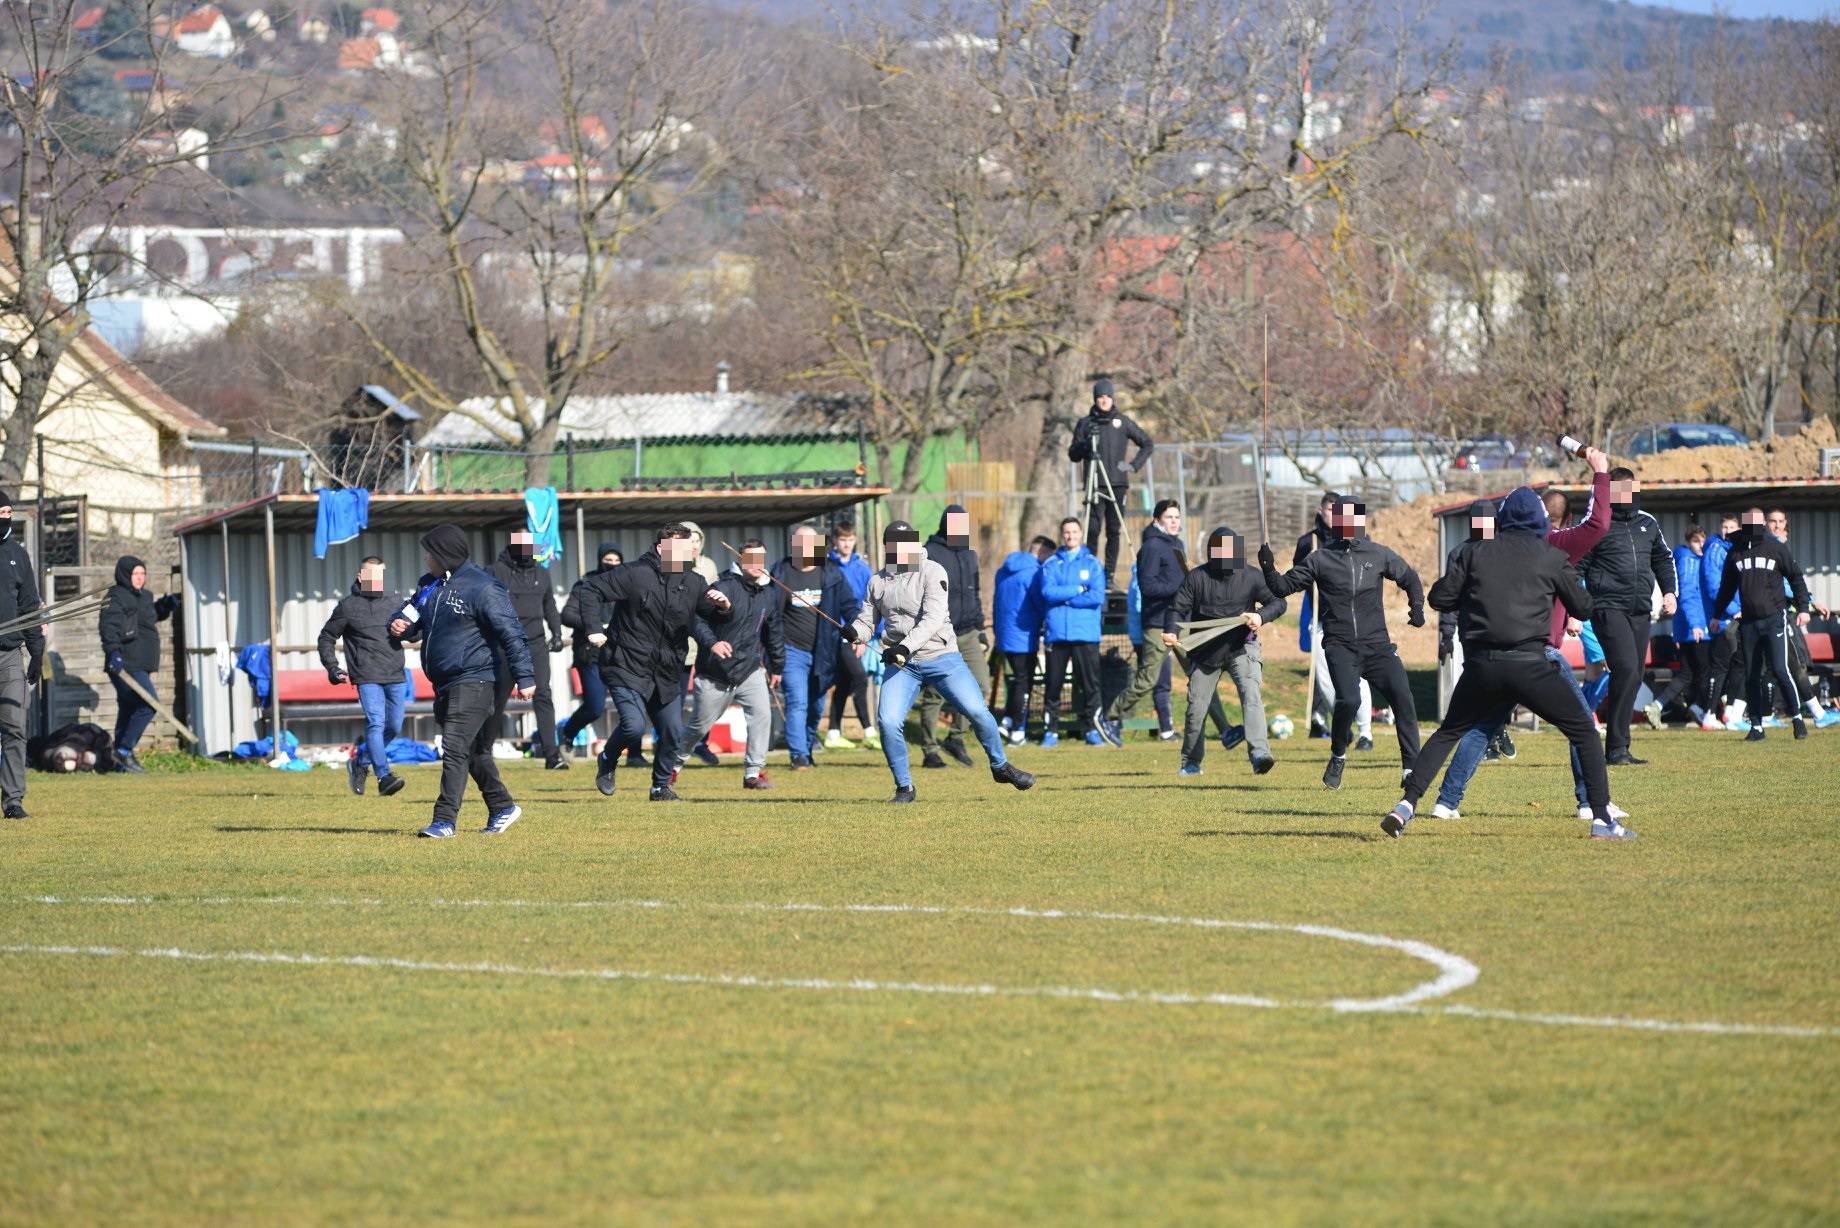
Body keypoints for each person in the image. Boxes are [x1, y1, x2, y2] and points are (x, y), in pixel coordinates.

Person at [1383, 486, 1633, 841]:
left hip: (1482, 665)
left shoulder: (1475, 554)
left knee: (1448, 732)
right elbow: (1583, 608)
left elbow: (1440, 597)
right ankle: (1603, 820)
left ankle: (1406, 805)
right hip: (1531, 664)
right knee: (1583, 731)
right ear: (1540, 520)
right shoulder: (1550, 555)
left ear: (1501, 520)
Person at [1426, 445, 1619, 822]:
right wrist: (1600, 471)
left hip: (1494, 653)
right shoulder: (1554, 544)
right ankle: (1592, 804)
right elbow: (1598, 525)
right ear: (1554, 520)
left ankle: (1445, 801)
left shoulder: (1490, 549)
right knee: (1582, 725)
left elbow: (1446, 594)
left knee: (1480, 727)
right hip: (1538, 652)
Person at [841, 520, 1034, 802]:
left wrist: (903, 647)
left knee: (977, 711)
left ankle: (1000, 765)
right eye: (895, 545)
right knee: (888, 721)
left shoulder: (932, 571)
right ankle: (904, 787)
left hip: (941, 657)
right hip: (902, 665)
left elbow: (932, 619)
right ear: (888, 547)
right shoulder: (877, 581)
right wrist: (855, 631)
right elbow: (868, 621)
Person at [1259, 498, 1424, 790]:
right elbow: (1282, 587)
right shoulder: (1320, 559)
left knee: (1403, 696)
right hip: (1340, 645)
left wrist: (1417, 608)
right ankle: (1338, 753)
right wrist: (1269, 567)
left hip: (1377, 646)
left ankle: (1410, 768)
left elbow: (1410, 578)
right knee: (1349, 700)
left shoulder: (1378, 554)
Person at [389, 525, 534, 838]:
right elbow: (413, 614)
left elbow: (512, 633)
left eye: (430, 551)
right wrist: (400, 624)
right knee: (472, 752)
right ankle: (502, 807)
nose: (426, 557)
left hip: (477, 679)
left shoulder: (484, 587)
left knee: (454, 747)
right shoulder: (428, 585)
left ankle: (444, 821)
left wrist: (525, 677)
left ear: (445, 554)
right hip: (445, 683)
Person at [579, 524, 732, 800]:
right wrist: (593, 628)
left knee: (673, 731)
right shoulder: (636, 573)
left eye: (688, 548)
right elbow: (590, 590)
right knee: (634, 726)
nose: (685, 552)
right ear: (662, 548)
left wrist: (723, 606)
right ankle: (608, 758)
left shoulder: (694, 582)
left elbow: (709, 615)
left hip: (667, 669)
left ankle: (660, 786)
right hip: (626, 663)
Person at [1578, 467, 1676, 765]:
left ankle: (1618, 747)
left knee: (1632, 675)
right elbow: (1577, 566)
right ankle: (1616, 747)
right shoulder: (1597, 523)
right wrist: (1574, 610)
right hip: (1607, 606)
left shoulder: (1648, 522)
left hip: (1640, 609)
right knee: (1627, 668)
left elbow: (1663, 557)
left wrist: (1670, 592)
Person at [1172, 526, 1285, 777]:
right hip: (1205, 652)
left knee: (1251, 694)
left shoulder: (1252, 576)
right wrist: (1171, 632)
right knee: (1196, 709)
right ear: (1212, 553)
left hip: (1241, 647)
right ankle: (1191, 761)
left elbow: (1278, 602)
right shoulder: (1196, 578)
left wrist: (1260, 616)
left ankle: (1259, 754)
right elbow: (1177, 610)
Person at [1713, 507, 1829, 742]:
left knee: (1780, 669)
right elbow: (1726, 587)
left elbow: (1796, 577)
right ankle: (1756, 726)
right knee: (1752, 675)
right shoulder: (1735, 553)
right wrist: (1716, 615)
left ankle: (1797, 719)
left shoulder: (1776, 548)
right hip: (1749, 624)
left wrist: (1804, 609)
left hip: (1774, 620)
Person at [683, 540, 784, 790]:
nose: (757, 564)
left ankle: (753, 773)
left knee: (761, 715)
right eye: (751, 558)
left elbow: (773, 632)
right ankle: (670, 767)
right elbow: (697, 620)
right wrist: (713, 643)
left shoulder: (769, 592)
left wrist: (777, 666)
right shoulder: (722, 586)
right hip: (715, 671)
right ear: (739, 558)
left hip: (749, 668)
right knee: (699, 727)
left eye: (761, 558)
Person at [317, 555, 408, 798]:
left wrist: (410, 630)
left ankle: (360, 762)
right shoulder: (347, 606)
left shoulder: (396, 601)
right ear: (360, 576)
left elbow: (414, 633)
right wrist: (333, 667)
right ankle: (383, 776)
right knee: (376, 723)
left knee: (394, 726)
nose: (375, 579)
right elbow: (326, 637)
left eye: (379, 574)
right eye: (370, 574)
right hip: (366, 675)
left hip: (395, 673)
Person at [1098, 500, 1186, 746]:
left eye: (1177, 517)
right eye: (1169, 517)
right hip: (1157, 624)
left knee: (1200, 672)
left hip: (1179, 622)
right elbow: (1147, 587)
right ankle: (1109, 716)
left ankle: (1223, 729)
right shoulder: (1151, 547)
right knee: (1148, 680)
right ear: (1157, 520)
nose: (1174, 521)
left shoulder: (1178, 545)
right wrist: (1181, 588)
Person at [771, 525, 860, 769]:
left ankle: (808, 749)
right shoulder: (781, 572)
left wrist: (858, 632)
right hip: (792, 650)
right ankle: (798, 754)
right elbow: (770, 614)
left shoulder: (831, 574)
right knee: (797, 701)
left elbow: (850, 606)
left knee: (816, 705)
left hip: (824, 651)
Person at [1297, 491, 1372, 748]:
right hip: (1322, 619)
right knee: (1325, 679)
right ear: (1321, 511)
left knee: (1358, 675)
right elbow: (1298, 577)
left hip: (1354, 621)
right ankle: (1344, 722)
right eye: (1331, 511)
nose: (1335, 516)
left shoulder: (1361, 540)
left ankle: (1366, 733)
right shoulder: (1309, 542)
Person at [917, 504, 990, 768]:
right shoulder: (930, 553)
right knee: (936, 693)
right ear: (945, 525)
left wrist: (980, 629)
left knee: (981, 686)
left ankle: (956, 738)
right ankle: (929, 749)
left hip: (969, 632)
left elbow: (975, 591)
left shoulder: (970, 555)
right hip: (939, 633)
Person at [487, 529, 567, 769]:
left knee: (543, 695)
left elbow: (550, 605)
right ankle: (482, 751)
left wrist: (557, 633)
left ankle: (552, 755)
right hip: (505, 645)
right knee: (497, 700)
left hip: (536, 644)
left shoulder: (542, 574)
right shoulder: (495, 572)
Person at [1067, 377, 1153, 581]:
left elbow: (1147, 443)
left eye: (1107, 397)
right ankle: (1089, 573)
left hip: (1118, 485)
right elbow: (1073, 454)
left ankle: (1109, 575)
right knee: (1092, 530)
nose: (1104, 401)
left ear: (1112, 399)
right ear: (1095, 399)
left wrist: (1133, 465)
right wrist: (1086, 444)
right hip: (1094, 485)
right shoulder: (1085, 423)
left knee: (1114, 531)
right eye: (1100, 397)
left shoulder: (1122, 422)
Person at [98, 554, 177, 775]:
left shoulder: (144, 596)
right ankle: (123, 751)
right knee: (149, 704)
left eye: (143, 573)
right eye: (135, 574)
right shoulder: (115, 597)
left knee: (129, 707)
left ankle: (117, 759)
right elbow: (109, 627)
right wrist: (113, 653)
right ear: (125, 574)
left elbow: (146, 619)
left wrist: (164, 606)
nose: (140, 578)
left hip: (142, 663)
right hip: (125, 664)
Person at [1035, 517, 1106, 747]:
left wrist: (1068, 601)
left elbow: (1096, 596)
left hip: (1085, 633)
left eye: (1075, 531)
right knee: (1053, 685)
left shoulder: (1092, 563)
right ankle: (1051, 731)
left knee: (1090, 685)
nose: (1071, 536)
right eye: (1067, 532)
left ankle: (1092, 729)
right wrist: (1076, 589)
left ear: (1081, 533)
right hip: (1058, 632)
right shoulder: (1052, 563)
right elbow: (1048, 592)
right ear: (1062, 535)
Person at [1765, 509, 1837, 728]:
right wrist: (1810, 602)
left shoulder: (1777, 547)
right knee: (1796, 664)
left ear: (1786, 524)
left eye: (1781, 522)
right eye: (1773, 522)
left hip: (1779, 613)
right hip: (1778, 614)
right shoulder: (1772, 549)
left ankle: (1767, 714)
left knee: (1776, 666)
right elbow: (1787, 583)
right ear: (1765, 524)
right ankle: (1817, 715)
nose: (1777, 526)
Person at [557, 545, 627, 754]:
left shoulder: (626, 585)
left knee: (631, 705)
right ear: (599, 560)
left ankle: (635, 753)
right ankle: (568, 733)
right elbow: (567, 615)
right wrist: (594, 627)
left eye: (617, 561)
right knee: (595, 706)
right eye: (608, 560)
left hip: (621, 654)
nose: (613, 565)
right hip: (591, 654)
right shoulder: (585, 585)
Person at [0, 491, 43, 819]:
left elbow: (30, 607)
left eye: (9, 511)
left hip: (10, 654)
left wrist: (37, 653)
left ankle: (13, 799)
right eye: (1, 511)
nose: (6, 517)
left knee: (15, 726)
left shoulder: (18, 555)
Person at [1653, 527, 1718, 729]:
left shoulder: (1692, 559)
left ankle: (1660, 705)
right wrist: (1696, 624)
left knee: (1689, 673)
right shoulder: (1689, 562)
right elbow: (1689, 595)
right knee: (1704, 671)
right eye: (1696, 541)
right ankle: (1700, 708)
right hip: (1695, 628)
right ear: (1689, 542)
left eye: (1703, 541)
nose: (1701, 546)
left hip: (1689, 626)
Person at [823, 518, 878, 751]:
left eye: (850, 540)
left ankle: (833, 733)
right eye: (842, 540)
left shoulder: (863, 569)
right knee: (860, 678)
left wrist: (867, 634)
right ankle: (869, 731)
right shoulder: (827, 566)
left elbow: (872, 602)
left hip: (857, 633)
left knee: (845, 682)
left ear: (855, 540)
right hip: (834, 633)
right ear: (835, 541)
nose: (846, 544)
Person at [993, 535, 1053, 744]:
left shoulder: (1003, 570)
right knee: (1023, 681)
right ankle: (1018, 730)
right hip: (1024, 634)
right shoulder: (1034, 572)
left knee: (1016, 679)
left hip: (1004, 633)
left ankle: (1008, 720)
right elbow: (1038, 602)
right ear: (1042, 552)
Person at [1703, 513, 1748, 728]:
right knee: (1720, 667)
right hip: (1723, 619)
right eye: (1725, 527)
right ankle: (1709, 715)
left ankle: (1729, 713)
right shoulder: (1715, 550)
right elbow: (1714, 587)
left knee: (1739, 663)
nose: (1728, 530)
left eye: (1732, 527)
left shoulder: (1736, 549)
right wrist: (1734, 609)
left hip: (1738, 617)